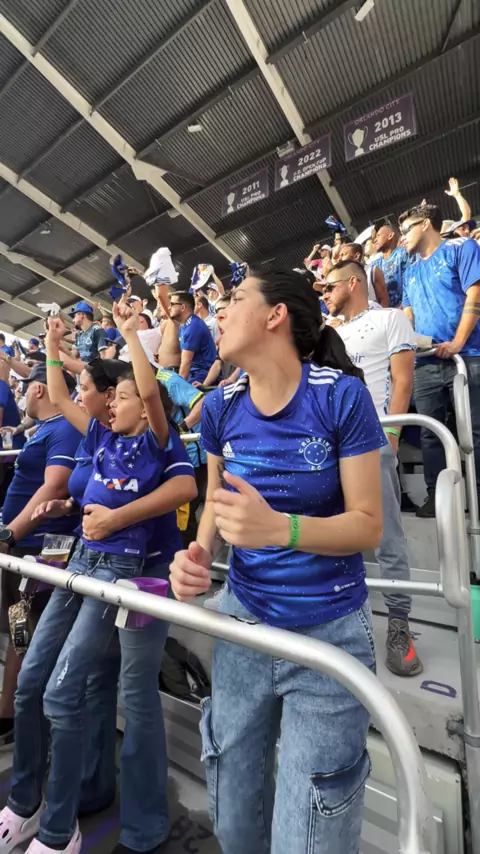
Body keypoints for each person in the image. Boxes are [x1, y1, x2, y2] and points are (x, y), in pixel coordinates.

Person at [169, 269, 386, 854]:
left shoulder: (340, 396)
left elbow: (368, 525)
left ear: (275, 315)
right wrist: (198, 554)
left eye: (234, 299)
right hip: (243, 627)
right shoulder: (219, 408)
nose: (219, 311)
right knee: (235, 822)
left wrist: (280, 529)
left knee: (307, 838)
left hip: (329, 637)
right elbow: (217, 502)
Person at [0, 305, 195, 854]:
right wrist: (52, 342)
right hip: (85, 561)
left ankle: (133, 827)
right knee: (61, 683)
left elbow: (179, 480)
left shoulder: (158, 439)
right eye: (109, 397)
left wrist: (131, 334)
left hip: (138, 574)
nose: (109, 404)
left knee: (124, 691)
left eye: (117, 396)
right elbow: (64, 402)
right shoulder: (101, 438)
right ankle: (62, 797)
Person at [323, 259, 422, 676]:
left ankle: (399, 624)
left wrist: (392, 436)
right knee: (332, 531)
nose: (324, 293)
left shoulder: (391, 318)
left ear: (352, 283)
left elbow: (403, 379)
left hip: (375, 438)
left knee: (386, 535)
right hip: (331, 445)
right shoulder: (330, 331)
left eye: (329, 286)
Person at [0, 363, 81, 749]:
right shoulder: (49, 428)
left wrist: (9, 533)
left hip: (42, 546)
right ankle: (10, 709)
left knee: (26, 625)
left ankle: (15, 714)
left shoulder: (64, 429)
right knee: (19, 623)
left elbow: (55, 486)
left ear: (37, 390)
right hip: (27, 545)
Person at [399, 203, 480, 517]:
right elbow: (408, 315)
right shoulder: (410, 270)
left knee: (474, 429)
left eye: (406, 229)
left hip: (468, 356)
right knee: (430, 432)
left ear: (425, 224)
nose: (403, 237)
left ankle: (477, 495)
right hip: (426, 363)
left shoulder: (461, 247)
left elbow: (475, 293)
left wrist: (458, 342)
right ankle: (436, 496)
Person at [169, 292, 217, 384]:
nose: (169, 308)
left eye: (172, 304)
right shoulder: (184, 325)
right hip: (195, 373)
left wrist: (179, 387)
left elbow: (186, 363)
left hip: (203, 375)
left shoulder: (193, 326)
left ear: (183, 307)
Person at [372, 224, 410, 308]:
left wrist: (403, 307)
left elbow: (410, 284)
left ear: (390, 236)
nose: (375, 240)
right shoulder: (375, 265)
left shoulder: (403, 254)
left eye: (378, 235)